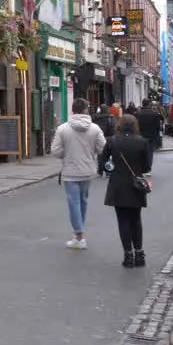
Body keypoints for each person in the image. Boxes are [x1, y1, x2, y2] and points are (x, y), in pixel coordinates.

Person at [51, 98, 107, 250]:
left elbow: (55, 151)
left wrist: (67, 154)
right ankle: (79, 234)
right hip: (88, 170)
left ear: (73, 110)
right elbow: (102, 147)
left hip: (70, 171)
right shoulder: (95, 128)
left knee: (73, 202)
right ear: (86, 110)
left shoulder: (63, 128)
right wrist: (91, 154)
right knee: (83, 200)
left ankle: (79, 235)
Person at [101, 114, 153, 267]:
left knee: (122, 220)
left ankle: (128, 255)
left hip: (118, 184)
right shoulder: (142, 142)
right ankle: (139, 254)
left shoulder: (112, 141)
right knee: (136, 219)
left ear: (120, 125)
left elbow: (103, 164)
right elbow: (147, 167)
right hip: (136, 185)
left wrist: (113, 168)